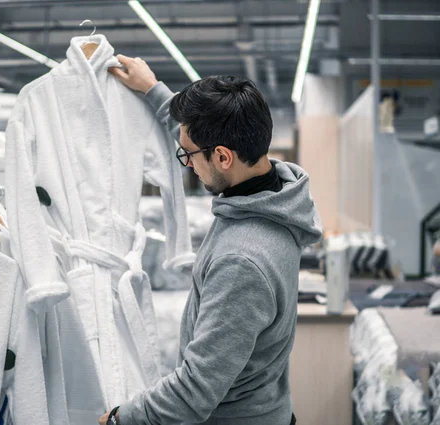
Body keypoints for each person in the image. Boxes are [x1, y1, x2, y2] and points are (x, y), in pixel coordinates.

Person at [99, 55, 323, 425]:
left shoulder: (242, 261)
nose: (185, 163)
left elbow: (195, 392)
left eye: (187, 155)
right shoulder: (276, 197)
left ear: (222, 157)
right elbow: (200, 142)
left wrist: (121, 418)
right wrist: (153, 90)